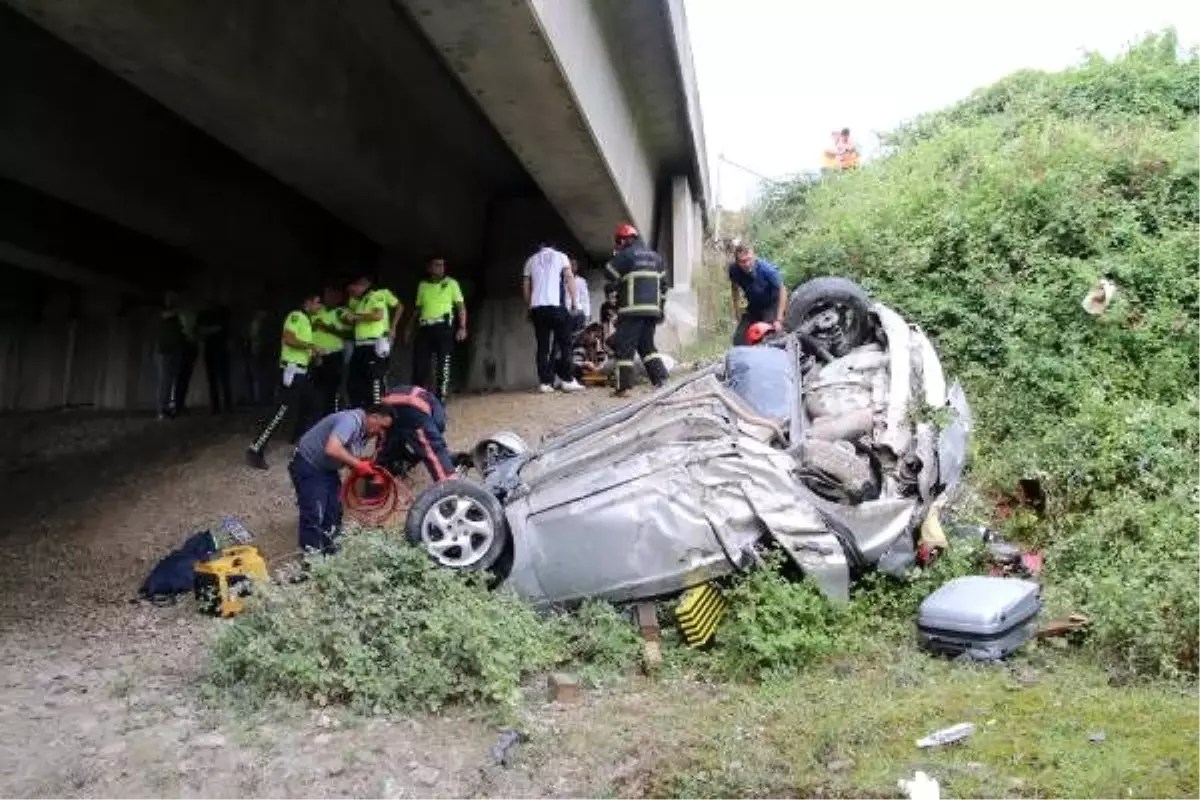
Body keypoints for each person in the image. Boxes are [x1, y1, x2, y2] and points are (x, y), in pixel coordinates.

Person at [289, 405, 394, 554]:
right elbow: (332, 449)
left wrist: (366, 471)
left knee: (333, 512)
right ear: (373, 417)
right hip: (308, 465)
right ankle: (311, 562)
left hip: (327, 470)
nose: (382, 433)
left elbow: (347, 457)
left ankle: (331, 555)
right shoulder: (350, 421)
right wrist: (359, 465)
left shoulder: (364, 433)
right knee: (314, 513)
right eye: (382, 427)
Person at [245, 292, 323, 470]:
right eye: (317, 303)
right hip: (292, 371)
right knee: (280, 411)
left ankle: (299, 442)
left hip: (302, 372)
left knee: (311, 405)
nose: (319, 307)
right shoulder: (297, 316)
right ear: (307, 302)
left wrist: (315, 355)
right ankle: (256, 449)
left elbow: (303, 348)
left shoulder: (307, 322)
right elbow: (289, 338)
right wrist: (311, 346)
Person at [605, 223, 669, 397]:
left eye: (618, 242)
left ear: (623, 240)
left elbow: (609, 273)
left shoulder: (626, 255)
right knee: (647, 346)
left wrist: (615, 257)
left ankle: (622, 387)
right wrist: (661, 310)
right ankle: (661, 379)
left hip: (632, 310)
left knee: (624, 348)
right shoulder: (657, 258)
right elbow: (664, 287)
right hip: (652, 311)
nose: (618, 245)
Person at [523, 243, 582, 393]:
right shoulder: (561, 257)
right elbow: (569, 278)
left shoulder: (530, 260)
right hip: (556, 306)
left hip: (538, 308)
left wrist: (530, 307)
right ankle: (567, 380)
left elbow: (526, 286)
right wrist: (575, 303)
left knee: (543, 346)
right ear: (554, 247)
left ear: (540, 247)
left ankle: (545, 383)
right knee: (565, 343)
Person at [408, 257, 467, 403]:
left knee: (443, 365)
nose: (440, 268)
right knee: (420, 365)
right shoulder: (422, 285)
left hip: (444, 327)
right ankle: (419, 399)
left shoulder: (452, 283)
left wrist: (462, 327)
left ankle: (441, 399)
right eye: (436, 265)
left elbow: (460, 306)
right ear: (429, 268)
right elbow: (417, 309)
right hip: (425, 327)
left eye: (442, 265)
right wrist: (409, 327)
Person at [376, 384, 456, 483]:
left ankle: (379, 475)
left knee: (385, 448)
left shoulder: (434, 415)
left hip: (402, 401)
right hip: (408, 405)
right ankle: (451, 487)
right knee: (432, 449)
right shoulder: (435, 419)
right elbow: (434, 448)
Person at [344, 274, 402, 408]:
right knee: (355, 381)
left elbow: (378, 315)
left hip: (375, 343)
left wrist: (393, 328)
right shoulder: (358, 301)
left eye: (353, 287)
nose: (351, 290)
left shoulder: (377, 295)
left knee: (376, 380)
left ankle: (380, 413)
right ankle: (360, 412)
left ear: (362, 284)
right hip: (360, 345)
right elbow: (348, 312)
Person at [728, 243, 787, 346]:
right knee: (739, 339)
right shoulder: (734, 270)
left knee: (768, 335)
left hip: (772, 304)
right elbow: (734, 287)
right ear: (737, 262)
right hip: (754, 306)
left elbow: (783, 290)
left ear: (754, 257)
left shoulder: (766, 269)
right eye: (742, 262)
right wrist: (737, 311)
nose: (747, 264)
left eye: (749, 259)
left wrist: (779, 319)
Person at [311, 284, 351, 416]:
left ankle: (329, 417)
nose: (330, 297)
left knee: (332, 389)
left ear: (339, 296)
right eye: (328, 293)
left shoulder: (342, 311)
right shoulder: (318, 309)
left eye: (334, 294)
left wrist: (328, 328)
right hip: (315, 355)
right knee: (314, 389)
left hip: (333, 356)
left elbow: (350, 334)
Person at [197, 293, 234, 414]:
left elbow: (202, 331)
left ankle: (221, 406)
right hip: (215, 349)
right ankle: (220, 406)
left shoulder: (218, 313)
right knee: (218, 379)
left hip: (217, 349)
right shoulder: (213, 314)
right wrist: (217, 329)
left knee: (219, 379)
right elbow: (200, 331)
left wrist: (210, 330)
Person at [155, 291, 185, 420]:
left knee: (170, 381)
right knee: (165, 382)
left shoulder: (176, 318)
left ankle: (167, 408)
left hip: (173, 350)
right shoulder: (168, 315)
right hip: (166, 351)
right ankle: (162, 409)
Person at [174, 298, 199, 415]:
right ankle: (178, 404)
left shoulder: (184, 314)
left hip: (188, 345)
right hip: (187, 345)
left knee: (182, 377)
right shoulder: (186, 314)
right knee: (182, 377)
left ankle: (179, 404)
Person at [568, 258, 590, 333]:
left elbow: (585, 298)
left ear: (577, 267)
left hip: (578, 313)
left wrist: (587, 314)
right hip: (566, 313)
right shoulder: (562, 281)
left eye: (574, 265)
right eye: (570, 265)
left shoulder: (581, 281)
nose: (572, 267)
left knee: (578, 336)